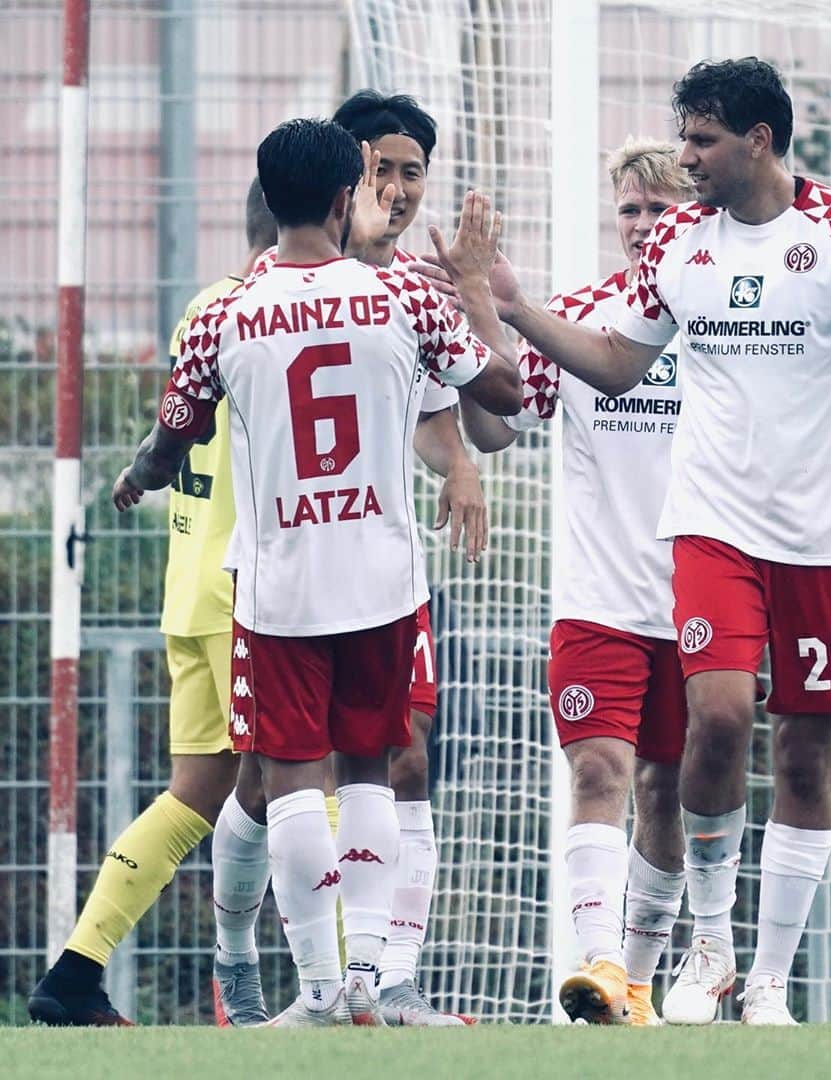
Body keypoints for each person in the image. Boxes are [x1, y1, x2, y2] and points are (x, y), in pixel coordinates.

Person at [458, 58, 831, 1025]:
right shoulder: (679, 240)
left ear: (759, 139)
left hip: (828, 542)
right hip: (712, 532)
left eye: (703, 140)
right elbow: (619, 365)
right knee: (717, 717)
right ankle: (708, 943)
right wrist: (512, 306)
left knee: (805, 759)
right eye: (684, 139)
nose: (687, 158)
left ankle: (768, 983)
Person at [110, 118, 521, 1026]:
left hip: (279, 586)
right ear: (346, 199)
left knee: (293, 777)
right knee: (372, 765)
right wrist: (479, 317)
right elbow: (502, 392)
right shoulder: (399, 301)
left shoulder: (227, 311)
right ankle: (374, 976)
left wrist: (136, 478)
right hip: (382, 576)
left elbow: (174, 436)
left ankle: (322, 993)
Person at [211, 94, 485, 1029]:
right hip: (271, 564)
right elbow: (500, 383)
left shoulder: (416, 287)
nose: (397, 190)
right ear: (343, 186)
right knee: (269, 775)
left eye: (412, 172)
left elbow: (484, 414)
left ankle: (373, 983)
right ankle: (246, 963)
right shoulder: (283, 294)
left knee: (393, 758)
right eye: (379, 172)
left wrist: (463, 467)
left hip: (355, 567)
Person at [452, 138, 699, 1026]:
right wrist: (488, 304)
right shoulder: (586, 317)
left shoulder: (730, 320)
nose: (640, 224)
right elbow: (497, 428)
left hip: (704, 603)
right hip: (598, 602)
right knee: (600, 771)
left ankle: (633, 980)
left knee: (670, 793)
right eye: (628, 209)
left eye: (658, 207)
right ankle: (595, 963)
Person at [26, 178, 277, 1028]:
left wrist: (139, 471)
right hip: (253, 592)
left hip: (191, 587)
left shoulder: (204, 308)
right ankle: (355, 991)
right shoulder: (277, 312)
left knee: (194, 795)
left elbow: (172, 432)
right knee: (318, 778)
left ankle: (74, 972)